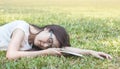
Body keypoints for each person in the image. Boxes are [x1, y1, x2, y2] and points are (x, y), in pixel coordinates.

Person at [0, 20, 112, 60]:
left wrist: (90, 52)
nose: (44, 45)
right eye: (49, 41)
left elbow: (64, 49)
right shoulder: (22, 28)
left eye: (49, 46)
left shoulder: (35, 41)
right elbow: (11, 55)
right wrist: (44, 52)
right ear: (47, 29)